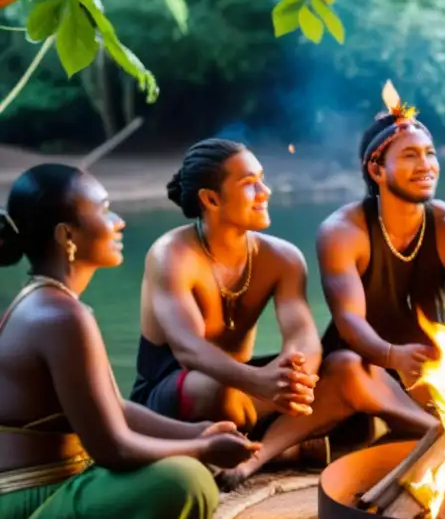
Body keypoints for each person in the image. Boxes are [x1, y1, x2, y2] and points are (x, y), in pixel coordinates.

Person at [0, 164, 256, 519]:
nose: (120, 221)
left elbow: (115, 408)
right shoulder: (59, 316)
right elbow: (112, 449)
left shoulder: (54, 303)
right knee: (183, 481)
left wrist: (198, 434)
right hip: (30, 510)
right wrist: (201, 452)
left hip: (61, 481)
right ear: (67, 236)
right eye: (105, 210)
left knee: (184, 468)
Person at [129, 139, 355, 489]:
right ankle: (285, 446)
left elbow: (303, 335)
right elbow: (189, 350)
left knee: (345, 373)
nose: (265, 191)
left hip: (247, 389)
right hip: (174, 394)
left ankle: (257, 452)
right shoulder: (171, 255)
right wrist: (261, 383)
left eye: (262, 179)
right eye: (249, 183)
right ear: (211, 199)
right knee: (220, 392)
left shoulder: (283, 257)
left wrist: (297, 374)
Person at [315, 81, 445, 437]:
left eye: (430, 153)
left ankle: (422, 425)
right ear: (376, 170)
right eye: (410, 156)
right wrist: (392, 356)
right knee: (351, 373)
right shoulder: (342, 231)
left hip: (431, 361)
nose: (426, 166)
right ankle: (420, 426)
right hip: (366, 360)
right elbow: (349, 320)